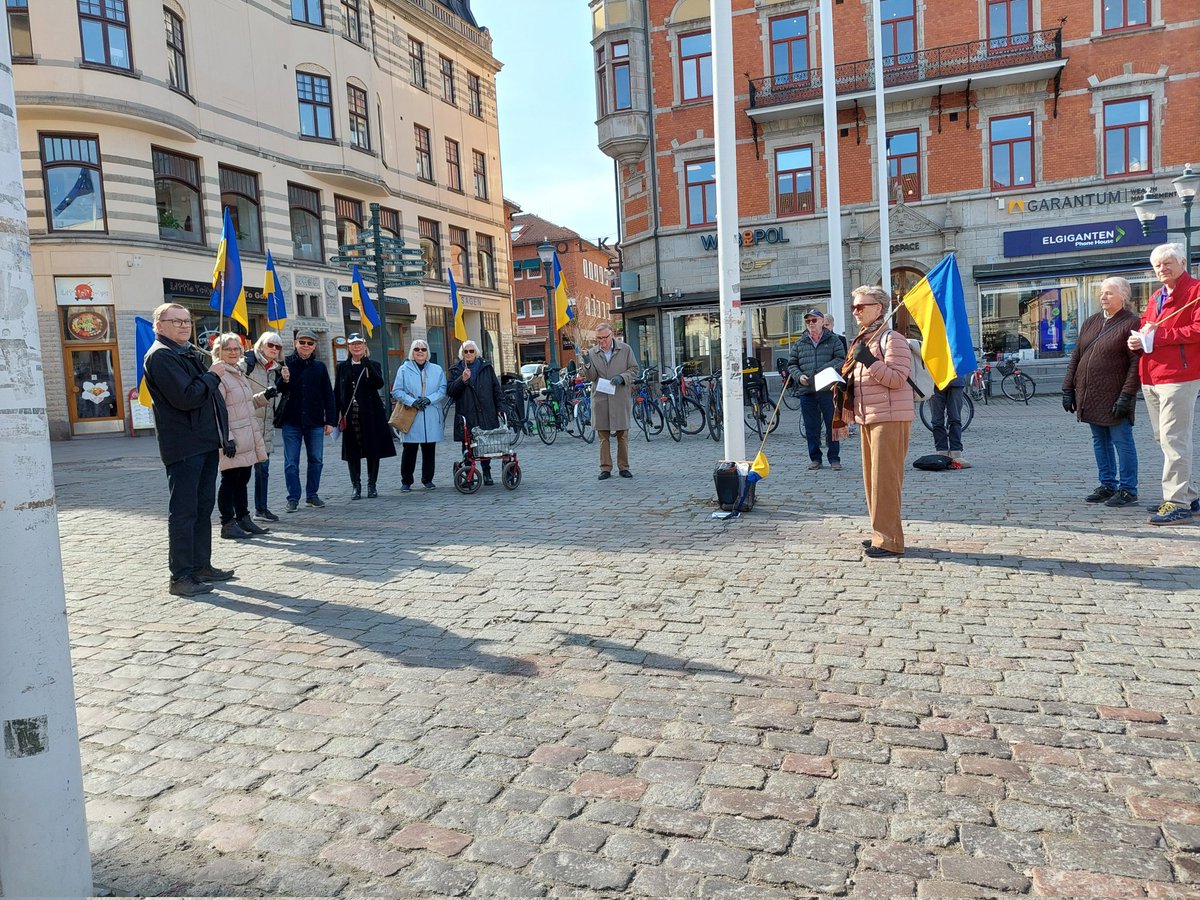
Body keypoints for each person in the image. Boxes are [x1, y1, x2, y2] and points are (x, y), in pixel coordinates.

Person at [142, 303, 234, 597]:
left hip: (205, 441)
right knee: (183, 511)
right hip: (184, 445)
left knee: (203, 507)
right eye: (176, 321)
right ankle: (180, 576)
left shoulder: (185, 352)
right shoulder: (161, 356)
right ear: (159, 325)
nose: (184, 326)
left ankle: (200, 565)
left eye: (186, 321)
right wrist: (213, 374)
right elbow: (187, 396)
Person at [1127, 242, 1200, 525]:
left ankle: (1176, 502)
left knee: (1174, 439)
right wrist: (1137, 339)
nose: (1161, 268)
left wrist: (1160, 336)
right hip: (1152, 374)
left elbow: (1196, 329)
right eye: (1157, 265)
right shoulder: (1156, 295)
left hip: (1179, 375)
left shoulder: (1195, 292)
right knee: (1164, 438)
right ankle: (1189, 495)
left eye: (1168, 263)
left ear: (1183, 262)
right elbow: (1147, 325)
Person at [839, 285, 914, 559]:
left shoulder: (892, 338)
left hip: (890, 417)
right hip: (869, 416)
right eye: (854, 307)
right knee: (873, 480)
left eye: (861, 306)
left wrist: (869, 361)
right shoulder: (866, 338)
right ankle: (879, 533)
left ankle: (890, 541)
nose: (856, 312)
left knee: (886, 480)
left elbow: (896, 379)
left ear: (879, 308)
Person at [1062, 277, 1141, 508]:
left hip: (1115, 394)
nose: (1103, 297)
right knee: (1100, 441)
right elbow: (1076, 356)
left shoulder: (1132, 323)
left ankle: (1128, 489)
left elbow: (1136, 364)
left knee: (1122, 441)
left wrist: (1127, 395)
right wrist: (1068, 388)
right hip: (1090, 394)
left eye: (1109, 293)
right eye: (1102, 293)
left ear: (1123, 297)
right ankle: (1107, 484)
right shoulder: (1091, 322)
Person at [209, 334, 273, 539]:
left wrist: (263, 397)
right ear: (218, 352)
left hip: (247, 434)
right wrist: (226, 438)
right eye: (228, 349)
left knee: (243, 478)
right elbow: (217, 410)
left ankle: (243, 518)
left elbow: (243, 405)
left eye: (237, 349)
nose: (234, 352)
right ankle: (227, 523)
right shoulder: (219, 375)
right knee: (230, 479)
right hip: (233, 437)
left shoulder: (238, 372)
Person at [275, 328, 336, 512]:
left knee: (316, 460)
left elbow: (328, 395)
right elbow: (277, 390)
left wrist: (330, 421)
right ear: (295, 343)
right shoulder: (285, 365)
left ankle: (312, 495)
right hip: (291, 421)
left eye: (310, 343)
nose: (306, 346)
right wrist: (283, 380)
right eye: (302, 342)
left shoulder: (320, 367)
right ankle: (293, 498)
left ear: (315, 346)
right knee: (291, 463)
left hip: (315, 421)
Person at [335, 333, 396, 499]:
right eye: (353, 344)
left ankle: (372, 485)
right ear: (348, 347)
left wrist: (367, 364)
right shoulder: (342, 367)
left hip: (370, 413)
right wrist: (334, 417)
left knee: (372, 449)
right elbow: (337, 392)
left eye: (359, 344)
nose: (356, 347)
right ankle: (356, 485)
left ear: (364, 346)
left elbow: (379, 383)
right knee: (352, 451)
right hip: (350, 413)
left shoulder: (372, 364)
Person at [787, 308, 846, 471]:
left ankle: (834, 458)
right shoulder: (800, 342)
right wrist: (799, 376)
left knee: (831, 425)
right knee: (811, 427)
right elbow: (792, 364)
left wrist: (824, 370)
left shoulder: (833, 340)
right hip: (807, 390)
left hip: (827, 389)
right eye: (808, 321)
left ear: (821, 322)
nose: (811, 324)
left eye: (814, 320)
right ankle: (815, 458)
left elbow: (842, 359)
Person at [578, 321, 639, 479]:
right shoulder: (592, 353)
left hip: (619, 397)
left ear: (612, 335)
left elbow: (634, 369)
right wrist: (586, 363)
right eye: (598, 338)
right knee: (603, 436)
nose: (601, 341)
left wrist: (622, 377)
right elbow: (591, 377)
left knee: (622, 434)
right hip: (601, 399)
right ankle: (605, 468)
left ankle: (623, 467)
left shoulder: (625, 349)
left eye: (604, 337)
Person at [447, 339, 505, 486]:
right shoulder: (455, 370)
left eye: (471, 351)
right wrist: (462, 379)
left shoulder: (486, 367)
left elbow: (496, 389)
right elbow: (451, 392)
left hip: (486, 411)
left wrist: (500, 407)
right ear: (462, 354)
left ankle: (487, 472)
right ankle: (469, 474)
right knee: (467, 445)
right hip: (466, 413)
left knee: (486, 445)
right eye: (465, 351)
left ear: (476, 353)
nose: (468, 354)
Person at [392, 338, 447, 491]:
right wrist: (412, 401)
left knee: (429, 449)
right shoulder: (404, 369)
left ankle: (427, 479)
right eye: (417, 349)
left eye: (423, 349)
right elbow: (397, 390)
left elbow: (442, 390)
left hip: (430, 413)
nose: (420, 352)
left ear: (427, 352)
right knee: (409, 449)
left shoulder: (437, 369)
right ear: (412, 352)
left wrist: (429, 399)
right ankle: (406, 481)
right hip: (411, 415)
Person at [245, 331, 284, 521]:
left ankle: (261, 509)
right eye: (271, 345)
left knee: (263, 470)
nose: (274, 349)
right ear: (261, 345)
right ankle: (240, 514)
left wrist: (285, 381)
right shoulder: (248, 364)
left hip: (266, 427)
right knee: (241, 473)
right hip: (246, 425)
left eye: (278, 347)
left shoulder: (275, 369)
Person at [927, 375, 970, 467]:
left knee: (955, 418)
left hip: (955, 380)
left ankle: (956, 452)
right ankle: (942, 452)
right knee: (937, 420)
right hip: (936, 380)